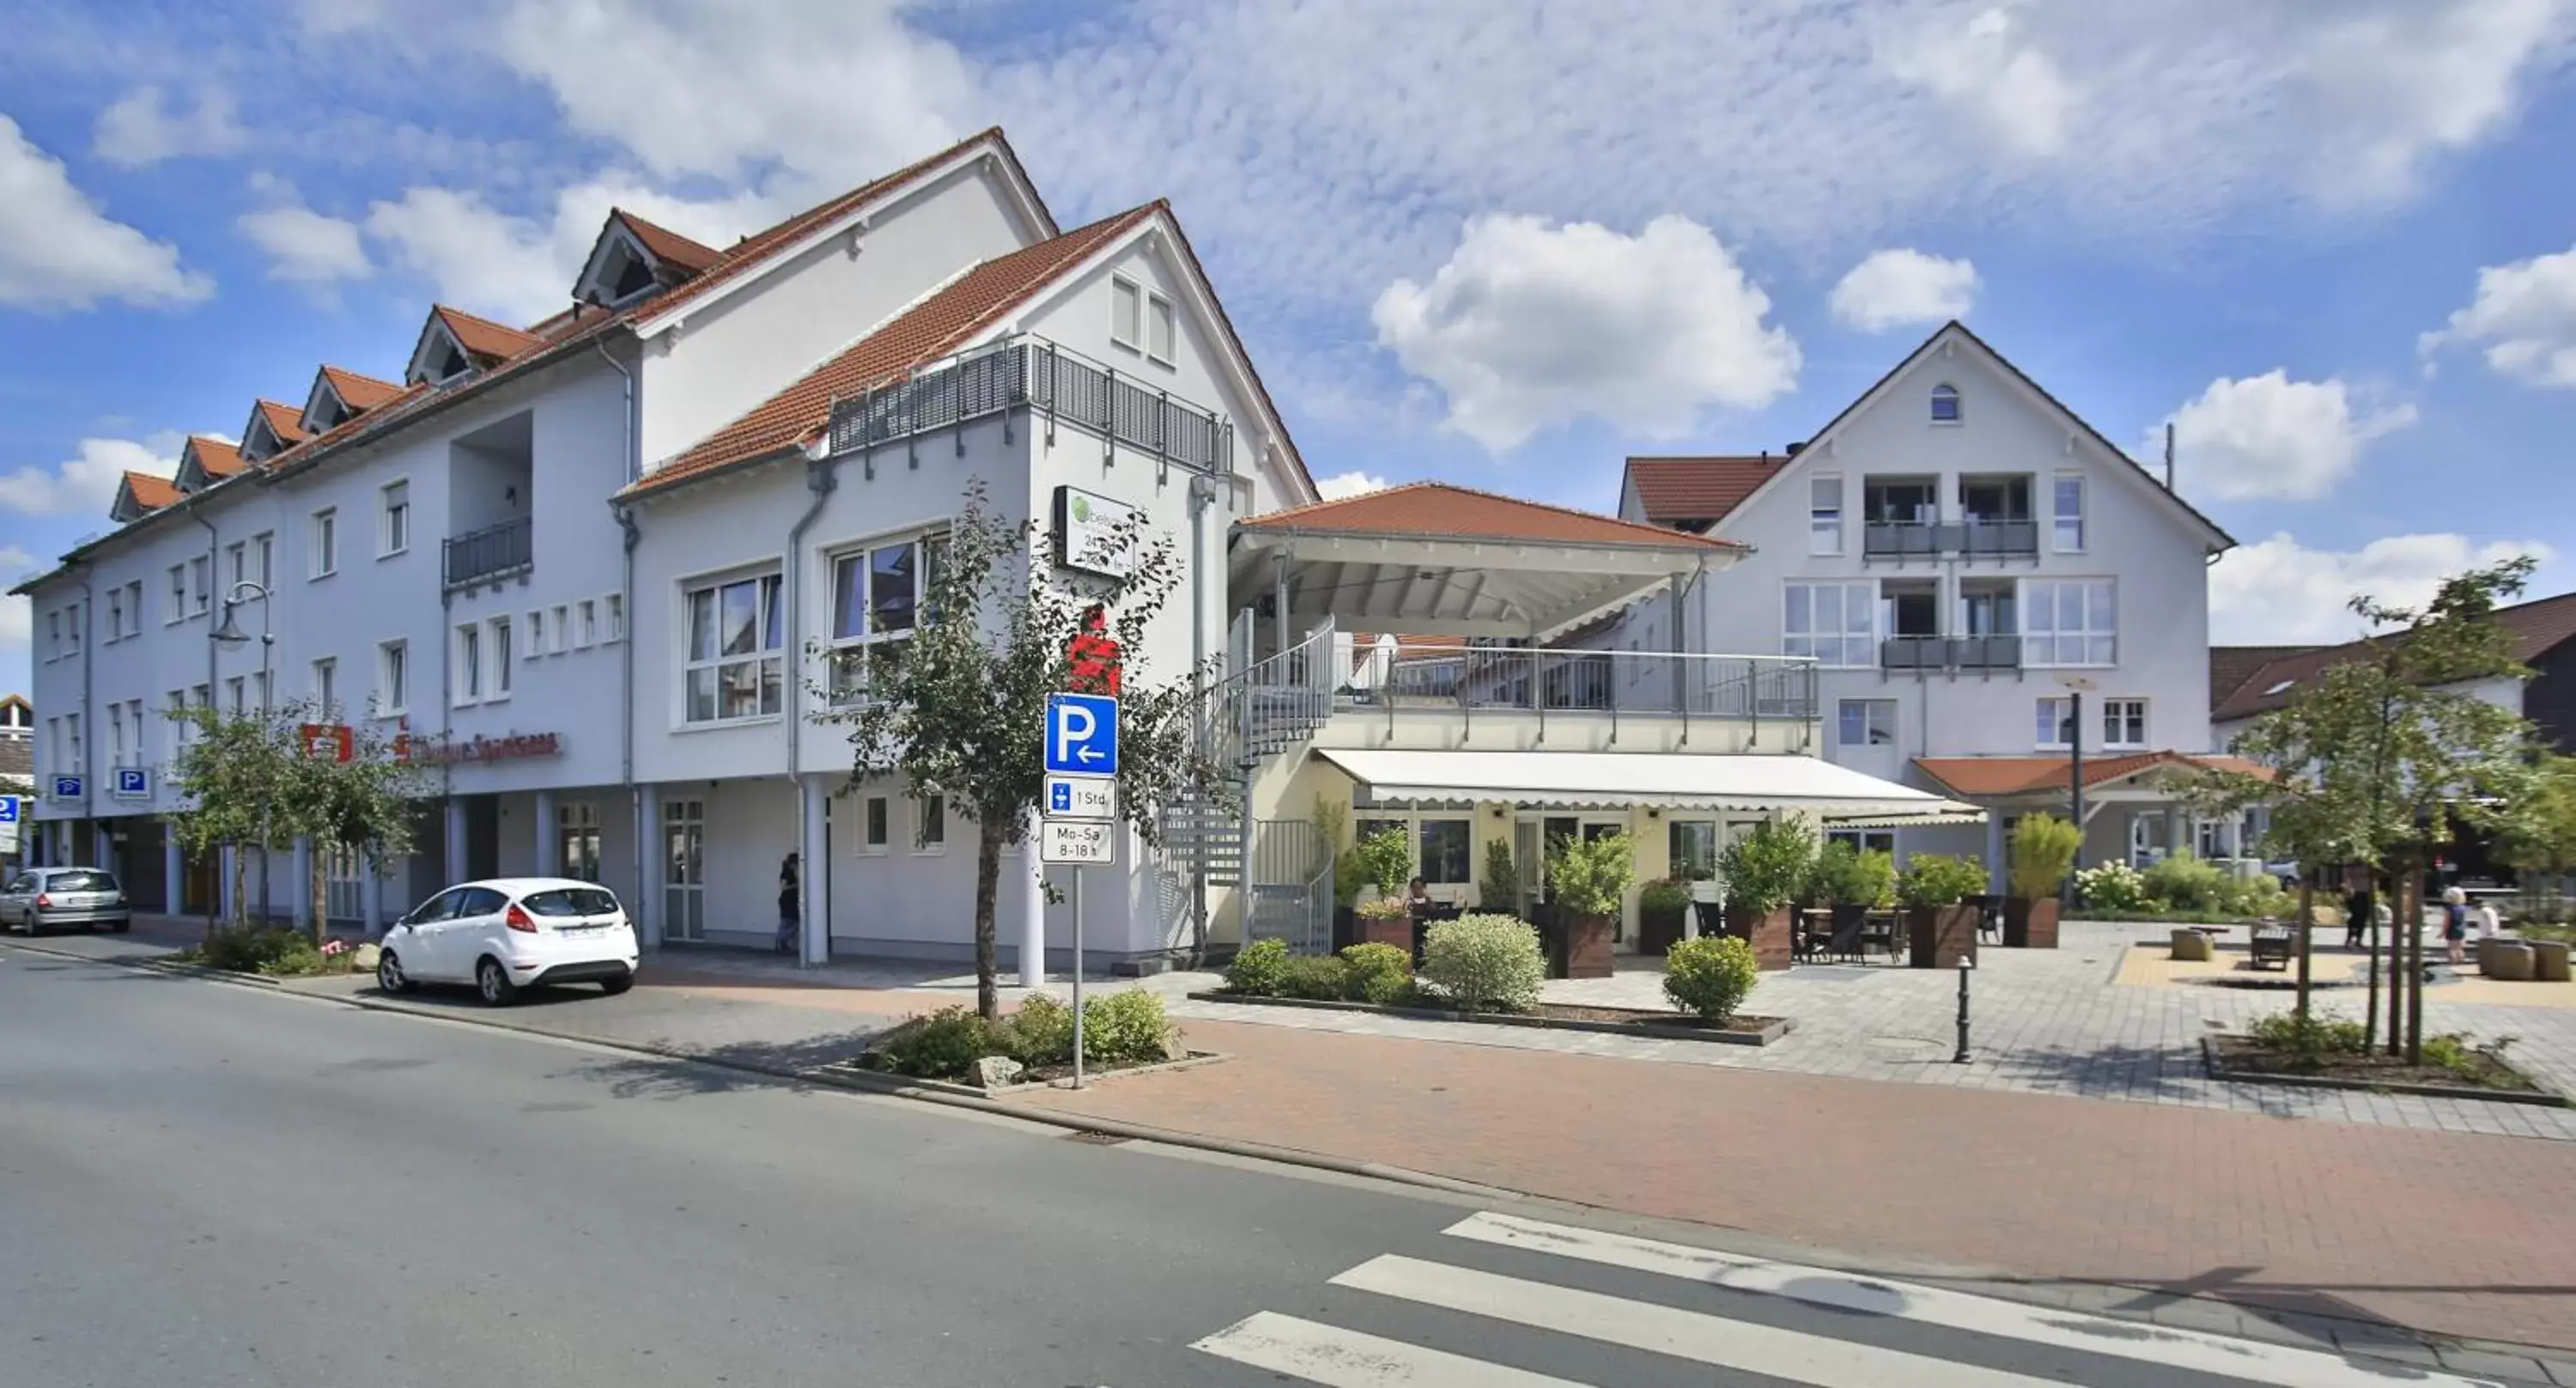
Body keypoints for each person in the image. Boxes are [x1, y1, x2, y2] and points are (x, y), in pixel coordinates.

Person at [775, 852, 800, 956]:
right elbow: (784, 887)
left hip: (791, 900)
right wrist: (796, 885)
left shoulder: (791, 872)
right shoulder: (787, 872)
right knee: (791, 922)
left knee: (790, 922)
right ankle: (782, 940)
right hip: (787, 901)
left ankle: (782, 941)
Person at [2342, 870, 2373, 951]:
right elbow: (2347, 875)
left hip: (2367, 891)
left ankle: (2358, 940)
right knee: (2357, 915)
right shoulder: (2354, 861)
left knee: (2364, 916)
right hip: (2355, 891)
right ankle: (2349, 940)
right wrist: (2348, 889)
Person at [2442, 884, 2470, 966]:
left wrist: (2443, 932)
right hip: (2461, 929)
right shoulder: (2462, 908)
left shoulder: (2449, 909)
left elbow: (2446, 922)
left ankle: (2453, 964)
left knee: (2452, 948)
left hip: (2453, 929)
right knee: (2460, 948)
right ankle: (2461, 962)